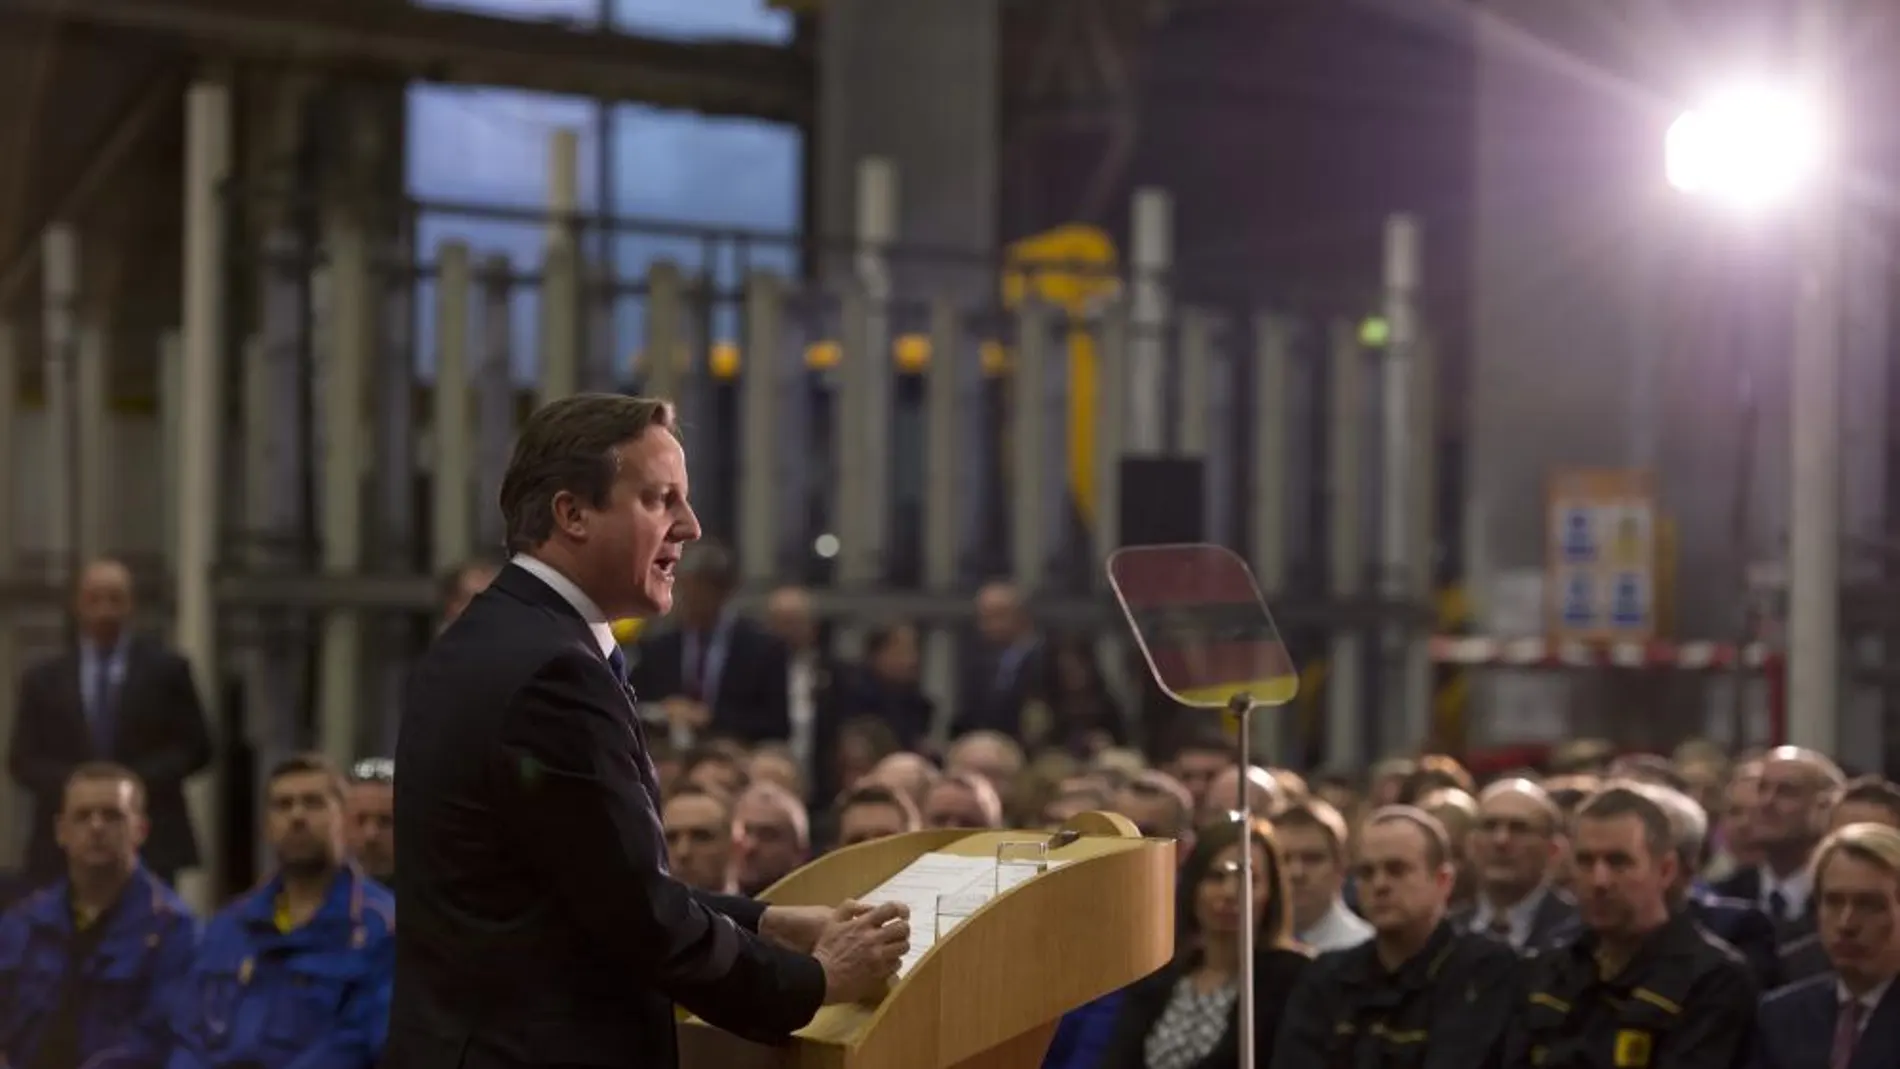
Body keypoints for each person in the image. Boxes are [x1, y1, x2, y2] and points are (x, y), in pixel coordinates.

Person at [388, 394, 908, 1069]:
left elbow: (590, 878)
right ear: (572, 513)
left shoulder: (497, 635)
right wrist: (817, 980)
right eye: (661, 499)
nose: (689, 526)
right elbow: (639, 917)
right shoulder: (552, 670)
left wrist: (769, 922)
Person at [169, 754, 396, 1069]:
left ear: (344, 821)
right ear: (267, 827)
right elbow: (188, 1038)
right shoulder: (229, 926)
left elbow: (359, 1046)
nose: (297, 816)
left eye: (313, 803)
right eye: (283, 805)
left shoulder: (382, 929)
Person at [9, 559, 213, 885]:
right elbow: (23, 759)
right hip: (62, 846)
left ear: (131, 605)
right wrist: (83, 789)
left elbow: (197, 748)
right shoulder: (44, 679)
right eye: (95, 599)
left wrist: (130, 784)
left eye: (116, 599)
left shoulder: (167, 671)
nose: (105, 610)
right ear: (77, 604)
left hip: (150, 838)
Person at [0, 763, 197, 1069]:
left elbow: (163, 1041)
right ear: (61, 832)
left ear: (140, 830)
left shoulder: (173, 930)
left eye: (112, 815)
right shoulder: (24, 923)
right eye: (82, 816)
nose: (96, 827)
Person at [1097, 818, 1313, 1069]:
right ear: (1193, 887)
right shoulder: (1158, 974)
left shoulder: (1297, 978)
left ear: (1271, 892)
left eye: (1247, 879)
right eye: (1216, 877)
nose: (1230, 892)